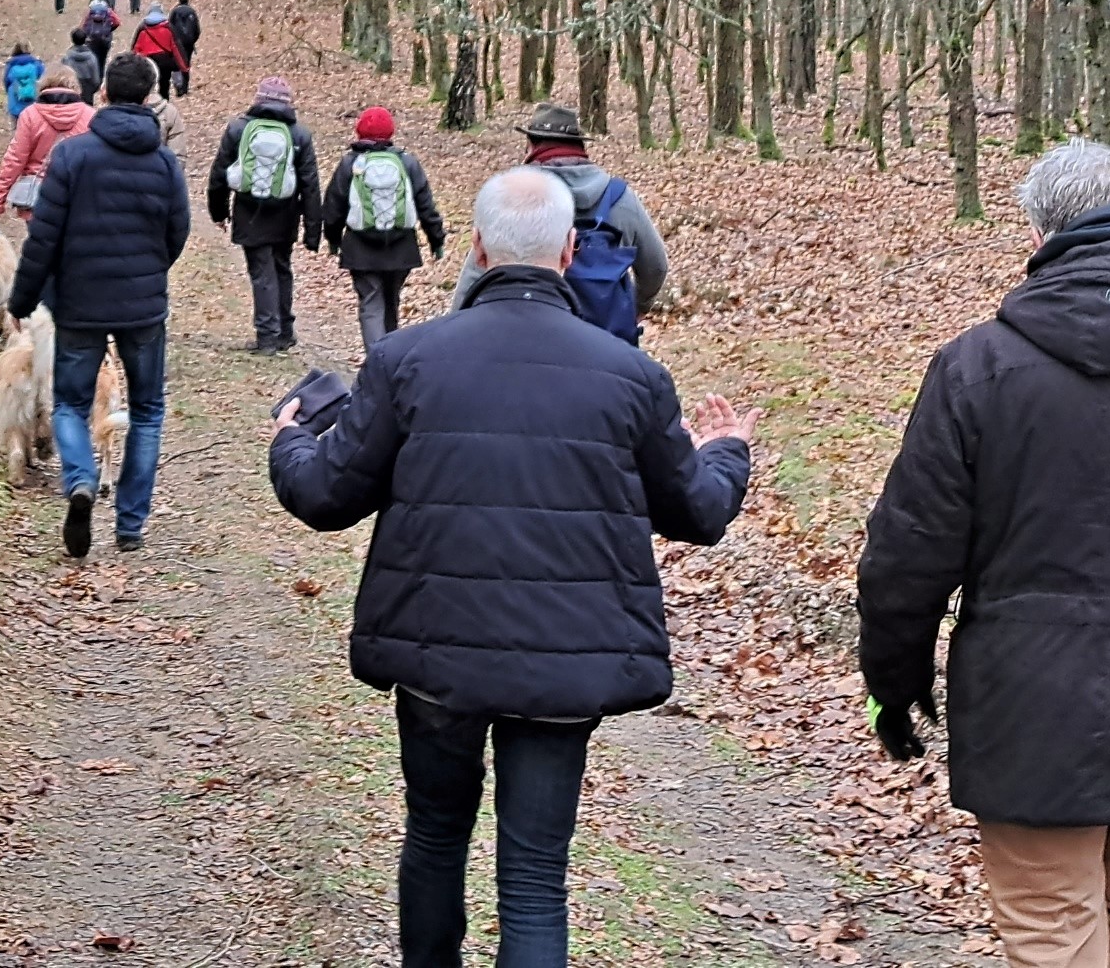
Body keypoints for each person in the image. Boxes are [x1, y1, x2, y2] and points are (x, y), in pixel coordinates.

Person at [270, 165, 756, 968]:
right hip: (565, 666)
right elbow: (697, 511)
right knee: (535, 876)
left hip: (436, 653)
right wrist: (729, 452)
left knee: (434, 835)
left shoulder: (407, 359)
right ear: (568, 252)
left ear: (478, 249)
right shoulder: (631, 376)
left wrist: (290, 438)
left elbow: (326, 496)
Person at [857, 139, 1110, 968]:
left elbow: (909, 553)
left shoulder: (980, 367)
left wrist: (895, 681)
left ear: (1040, 234)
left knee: (1050, 925)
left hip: (1031, 697)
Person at [8, 53, 191, 558]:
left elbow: (44, 235)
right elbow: (179, 231)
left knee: (68, 403)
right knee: (148, 410)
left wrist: (23, 297)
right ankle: (130, 525)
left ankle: (82, 480)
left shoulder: (71, 157)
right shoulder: (163, 161)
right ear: (150, 97)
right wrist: (150, 270)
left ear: (103, 95)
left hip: (79, 303)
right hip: (143, 307)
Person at [451, 102, 666, 338]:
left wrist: (456, 324)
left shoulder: (515, 196)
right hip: (604, 339)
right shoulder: (619, 198)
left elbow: (475, 272)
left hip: (521, 336)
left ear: (531, 145)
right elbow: (655, 266)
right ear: (580, 146)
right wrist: (638, 307)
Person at [208, 76, 322, 353]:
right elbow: (310, 185)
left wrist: (219, 211)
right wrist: (312, 230)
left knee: (261, 273)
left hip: (249, 212)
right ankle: (284, 331)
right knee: (282, 268)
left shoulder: (238, 129)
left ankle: (267, 336)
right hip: (286, 214)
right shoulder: (299, 135)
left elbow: (219, 174)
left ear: (257, 99)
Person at [323, 108, 447, 352]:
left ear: (359, 131)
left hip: (360, 248)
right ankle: (390, 360)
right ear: (391, 132)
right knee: (392, 302)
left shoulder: (351, 164)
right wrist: (437, 240)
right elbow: (425, 205)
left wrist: (333, 239)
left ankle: (375, 360)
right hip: (402, 248)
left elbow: (334, 205)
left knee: (371, 304)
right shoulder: (406, 162)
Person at [0, 76, 92, 218]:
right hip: (76, 196)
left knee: (39, 239)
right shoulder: (90, 115)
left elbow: (15, 158)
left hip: (38, 198)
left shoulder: (30, 115)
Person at [131, 6, 188, 101]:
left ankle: (149, 104)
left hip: (148, 61)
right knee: (165, 84)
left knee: (149, 84)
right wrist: (184, 68)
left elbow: (136, 49)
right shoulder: (168, 28)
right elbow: (176, 48)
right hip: (165, 61)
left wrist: (133, 66)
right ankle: (164, 104)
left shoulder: (143, 29)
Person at [169, 0, 201, 96]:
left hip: (177, 43)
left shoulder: (174, 11)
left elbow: (169, 27)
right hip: (189, 43)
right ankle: (185, 87)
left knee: (177, 64)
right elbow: (197, 29)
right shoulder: (192, 11)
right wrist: (193, 40)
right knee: (186, 63)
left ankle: (178, 86)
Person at [2, 44, 44, 120]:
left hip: (15, 105)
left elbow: (6, 83)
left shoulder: (10, 66)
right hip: (34, 105)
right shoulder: (37, 65)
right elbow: (44, 81)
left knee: (17, 129)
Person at [60, 29, 102, 103]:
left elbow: (63, 76)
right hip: (87, 90)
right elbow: (96, 80)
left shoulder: (67, 57)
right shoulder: (92, 58)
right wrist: (92, 90)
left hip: (72, 89)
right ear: (85, 40)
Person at [82, 0, 118, 80]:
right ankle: (100, 79)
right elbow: (117, 22)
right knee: (102, 60)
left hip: (92, 40)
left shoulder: (90, 11)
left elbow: (83, 25)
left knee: (93, 59)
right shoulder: (108, 11)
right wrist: (110, 29)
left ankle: (93, 77)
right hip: (105, 40)